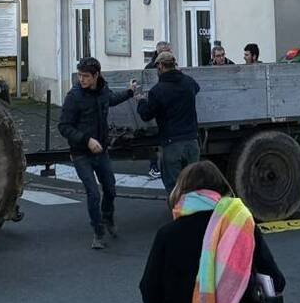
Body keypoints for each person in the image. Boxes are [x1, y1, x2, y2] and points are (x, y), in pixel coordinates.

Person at [140, 161, 285, 303]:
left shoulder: (167, 234)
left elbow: (151, 299)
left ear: (182, 191)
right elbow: (277, 281)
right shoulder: (241, 227)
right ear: (222, 189)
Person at [57, 56, 137, 249]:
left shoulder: (102, 91)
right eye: (79, 75)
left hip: (101, 151)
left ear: (96, 76)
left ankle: (107, 217)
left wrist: (129, 92)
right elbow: (64, 126)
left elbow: (111, 99)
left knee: (110, 188)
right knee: (93, 192)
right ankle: (98, 232)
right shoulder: (74, 96)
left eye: (85, 76)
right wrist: (87, 140)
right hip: (80, 153)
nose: (81, 79)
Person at [137, 52, 201, 193]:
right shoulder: (188, 82)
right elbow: (197, 89)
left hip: (172, 145)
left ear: (160, 66)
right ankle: (194, 214)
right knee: (193, 186)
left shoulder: (157, 90)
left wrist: (141, 101)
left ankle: (179, 214)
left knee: (175, 188)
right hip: (192, 142)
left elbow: (146, 115)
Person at [143, 41, 173, 180]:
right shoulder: (151, 68)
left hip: (166, 108)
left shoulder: (171, 65)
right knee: (154, 140)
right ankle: (153, 166)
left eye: (169, 50)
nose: (169, 53)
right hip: (157, 106)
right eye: (166, 51)